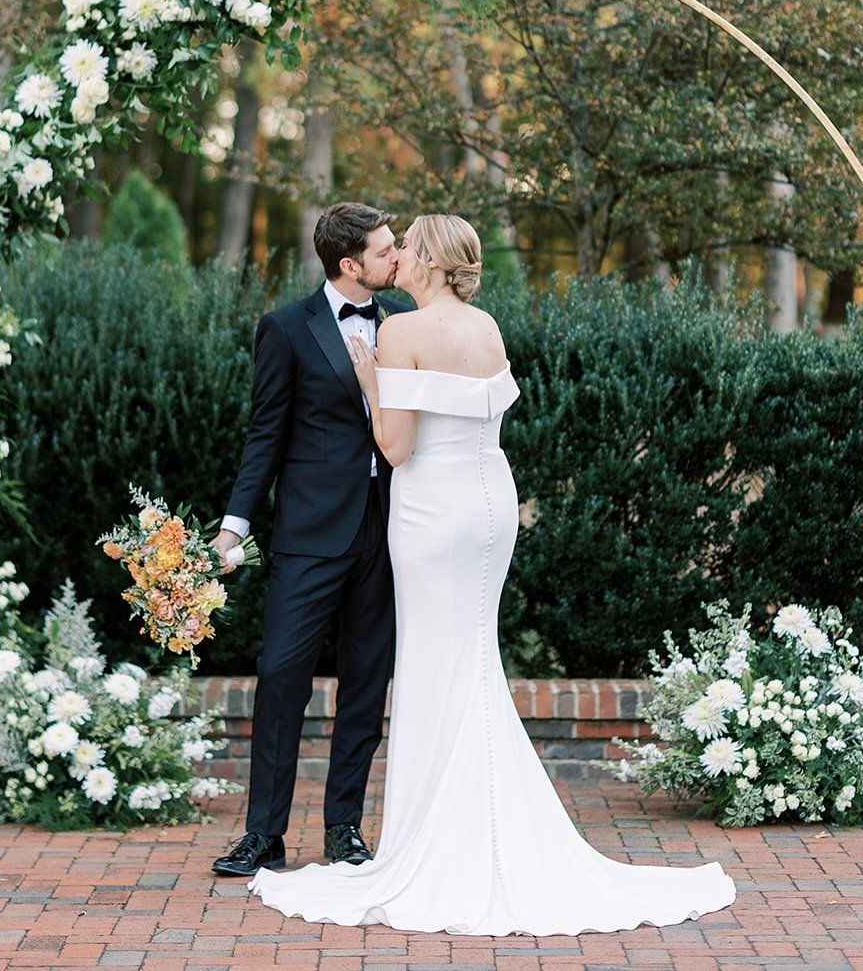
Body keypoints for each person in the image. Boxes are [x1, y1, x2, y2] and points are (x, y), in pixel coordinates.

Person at [249, 214, 737, 935]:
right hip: (488, 505)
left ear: (434, 261)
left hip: (431, 512)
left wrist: (369, 382)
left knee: (433, 663)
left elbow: (397, 446)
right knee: (470, 657)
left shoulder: (400, 334)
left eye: (408, 244)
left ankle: (439, 842)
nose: (399, 254)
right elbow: (486, 418)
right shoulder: (485, 327)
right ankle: (482, 824)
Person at [210, 202, 409, 878]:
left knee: (364, 682)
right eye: (384, 250)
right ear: (349, 264)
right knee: (279, 678)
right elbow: (264, 434)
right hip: (305, 536)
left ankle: (343, 828)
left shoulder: (403, 328)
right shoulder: (286, 330)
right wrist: (234, 525)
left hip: (387, 534)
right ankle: (263, 834)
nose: (396, 257)